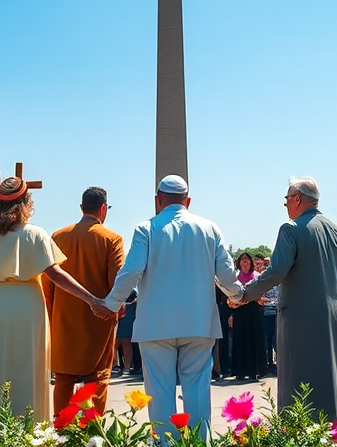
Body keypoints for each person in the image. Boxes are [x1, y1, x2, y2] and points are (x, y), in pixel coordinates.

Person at [0, 176, 101, 419]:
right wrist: (91, 299)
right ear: (26, 203)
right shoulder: (35, 234)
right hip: (27, 307)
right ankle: (28, 426)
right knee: (25, 367)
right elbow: (56, 275)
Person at [101, 175, 245, 438]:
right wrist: (238, 294)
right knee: (198, 392)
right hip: (199, 323)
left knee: (159, 394)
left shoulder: (146, 228)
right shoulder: (210, 228)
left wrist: (111, 303)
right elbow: (226, 274)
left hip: (156, 326)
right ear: (188, 201)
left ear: (158, 200)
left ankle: (165, 445)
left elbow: (131, 272)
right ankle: (200, 444)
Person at [240, 176, 337, 419]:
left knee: (298, 380)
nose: (286, 205)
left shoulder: (291, 230)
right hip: (335, 318)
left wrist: (246, 294)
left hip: (300, 319)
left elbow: (276, 271)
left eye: (287, 199)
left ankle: (299, 434)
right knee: (332, 376)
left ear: (298, 199)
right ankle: (336, 429)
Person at [45, 187, 125, 414]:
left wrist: (52, 315)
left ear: (81, 208)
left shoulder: (57, 237)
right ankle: (92, 432)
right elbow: (117, 282)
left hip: (64, 318)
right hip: (99, 317)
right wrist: (117, 307)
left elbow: (48, 283)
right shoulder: (112, 239)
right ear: (103, 208)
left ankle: (61, 429)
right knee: (98, 377)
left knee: (63, 378)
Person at [229, 252, 265, 380]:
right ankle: (240, 371)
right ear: (238, 263)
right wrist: (231, 314)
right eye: (242, 259)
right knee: (239, 341)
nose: (245, 261)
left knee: (253, 340)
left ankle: (253, 371)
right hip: (239, 312)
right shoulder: (235, 278)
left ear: (251, 262)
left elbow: (262, 292)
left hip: (253, 311)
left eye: (247, 259)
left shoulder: (257, 277)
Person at [255, 256, 278, 375]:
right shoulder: (262, 277)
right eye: (266, 263)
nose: (268, 265)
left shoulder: (278, 275)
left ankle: (276, 364)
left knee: (277, 340)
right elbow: (259, 293)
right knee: (266, 340)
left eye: (269, 263)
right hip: (266, 311)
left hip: (278, 312)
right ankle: (267, 363)